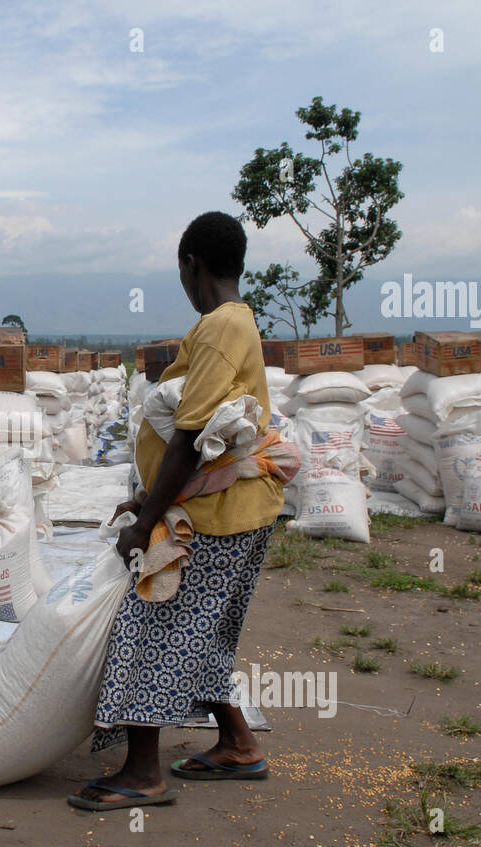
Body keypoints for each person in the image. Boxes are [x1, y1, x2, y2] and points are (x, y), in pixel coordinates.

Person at [69, 210, 287, 810]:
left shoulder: (220, 328)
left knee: (151, 627)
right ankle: (238, 743)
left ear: (192, 265)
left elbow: (191, 437)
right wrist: (147, 498)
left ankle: (143, 773)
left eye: (182, 273)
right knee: (205, 630)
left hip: (216, 516)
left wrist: (145, 523)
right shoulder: (238, 322)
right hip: (238, 508)